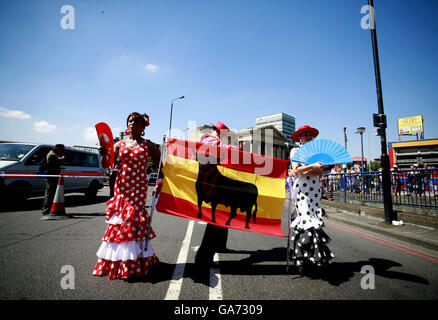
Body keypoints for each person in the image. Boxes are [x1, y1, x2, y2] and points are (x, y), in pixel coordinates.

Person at [93, 112, 162, 280]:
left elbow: (161, 168)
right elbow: (107, 166)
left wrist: (159, 184)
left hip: (138, 189)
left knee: (133, 222)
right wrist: (103, 154)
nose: (132, 124)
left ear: (142, 127)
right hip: (121, 189)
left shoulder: (149, 145)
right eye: (130, 121)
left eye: (136, 122)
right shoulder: (118, 145)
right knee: (120, 222)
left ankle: (135, 262)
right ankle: (118, 262)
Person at [288, 125, 334, 276]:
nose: (307, 136)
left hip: (314, 192)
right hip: (302, 193)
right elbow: (295, 170)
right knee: (305, 222)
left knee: (315, 224)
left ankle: (312, 259)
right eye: (304, 134)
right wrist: (311, 167)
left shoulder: (317, 153)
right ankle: (302, 259)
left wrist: (305, 169)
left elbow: (318, 171)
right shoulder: (295, 151)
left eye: (310, 134)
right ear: (299, 138)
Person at [194, 121, 240, 268]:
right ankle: (203, 258)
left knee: (221, 216)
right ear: (216, 131)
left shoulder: (211, 140)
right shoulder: (210, 140)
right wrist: (237, 148)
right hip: (210, 184)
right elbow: (221, 149)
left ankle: (219, 246)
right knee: (216, 220)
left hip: (213, 182)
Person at [41, 144, 66, 216]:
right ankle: (46, 210)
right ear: (58, 148)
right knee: (50, 193)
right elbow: (61, 160)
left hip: (53, 176)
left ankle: (47, 209)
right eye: (62, 149)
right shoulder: (52, 154)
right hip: (51, 176)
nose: (63, 150)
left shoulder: (54, 154)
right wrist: (64, 155)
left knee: (51, 193)